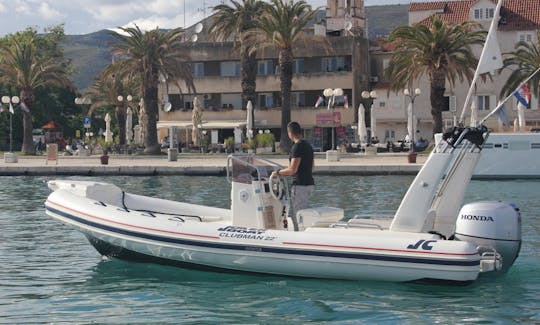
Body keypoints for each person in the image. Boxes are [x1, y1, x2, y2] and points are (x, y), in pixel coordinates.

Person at [271, 122, 315, 231]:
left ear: (290, 133)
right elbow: (312, 167)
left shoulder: (297, 147)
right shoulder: (308, 146)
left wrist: (278, 173)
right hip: (309, 184)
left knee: (298, 215)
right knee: (303, 212)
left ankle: (300, 236)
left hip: (300, 185)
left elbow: (292, 169)